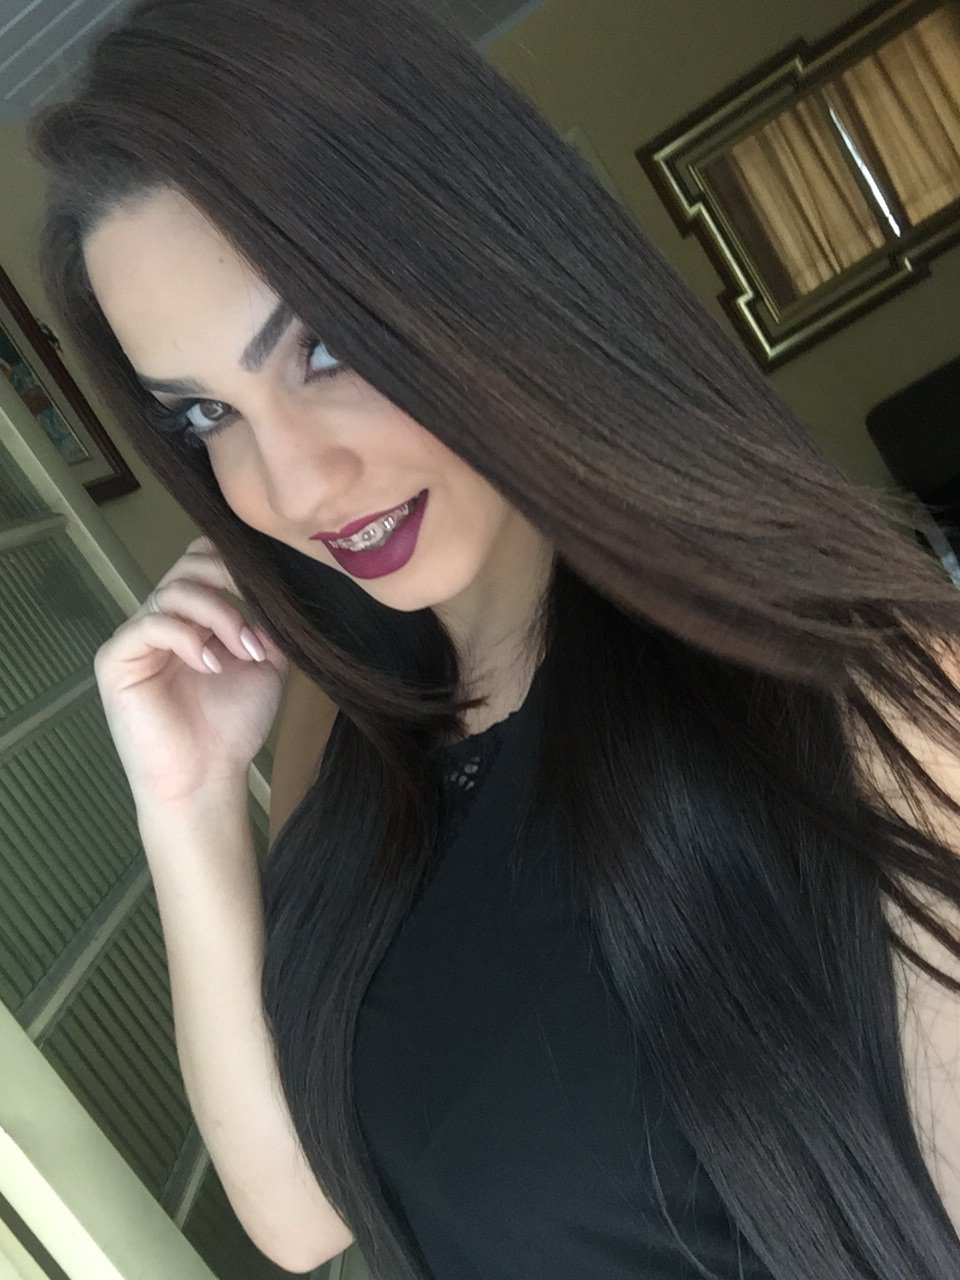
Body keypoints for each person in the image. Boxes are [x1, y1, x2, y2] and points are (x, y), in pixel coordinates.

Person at [28, 0, 960, 1276]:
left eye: (325, 346)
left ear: (490, 271)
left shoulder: (863, 690)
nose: (294, 485)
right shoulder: (349, 718)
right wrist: (184, 803)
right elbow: (306, 1211)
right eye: (205, 415)